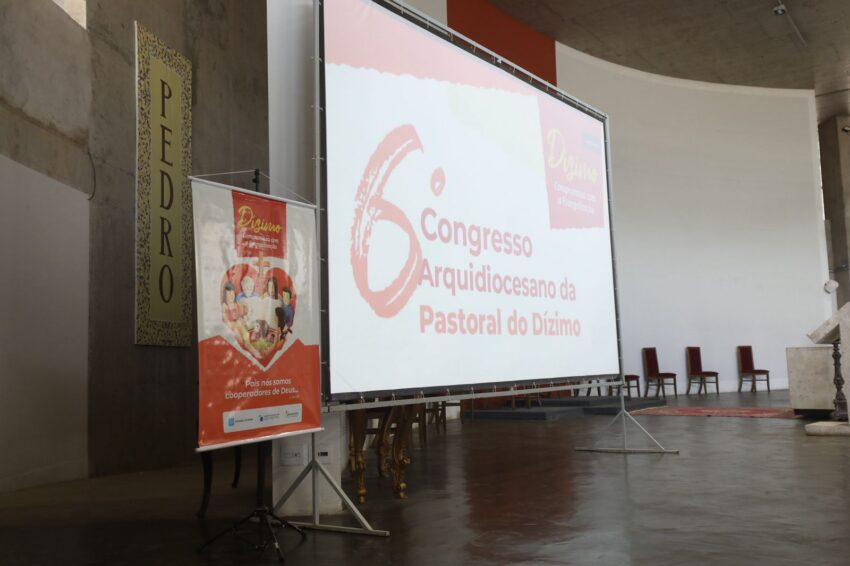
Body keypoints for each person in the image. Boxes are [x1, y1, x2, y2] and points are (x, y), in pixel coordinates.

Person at [220, 281, 261, 358]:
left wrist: (247, 314)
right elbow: (225, 318)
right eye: (229, 294)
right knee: (239, 338)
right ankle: (246, 347)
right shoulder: (225, 306)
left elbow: (245, 310)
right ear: (225, 295)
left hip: (238, 325)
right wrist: (229, 324)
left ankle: (250, 347)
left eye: (232, 294)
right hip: (231, 327)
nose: (231, 296)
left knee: (243, 328)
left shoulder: (236, 304)